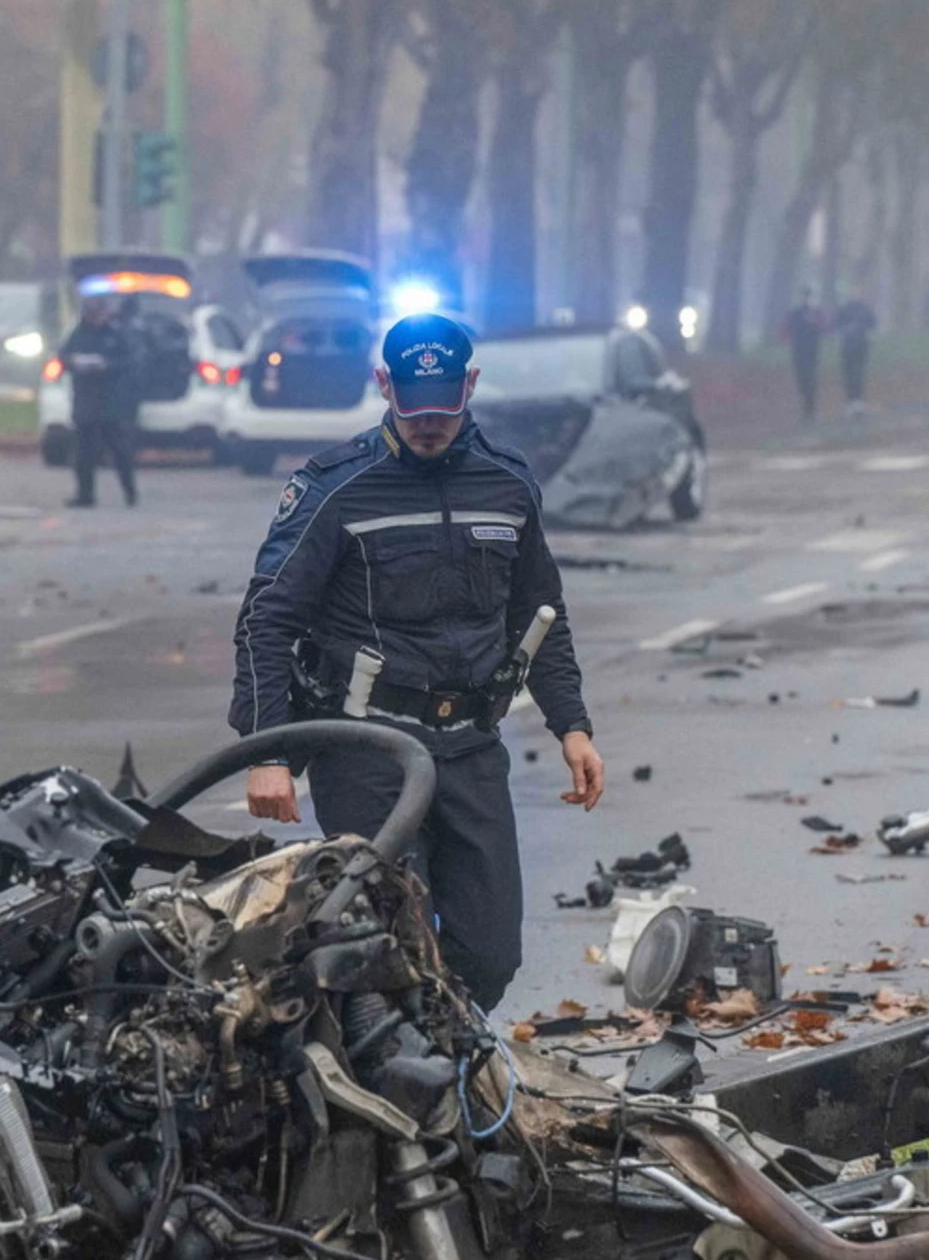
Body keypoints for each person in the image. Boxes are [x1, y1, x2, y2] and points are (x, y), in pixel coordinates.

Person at [228, 312, 603, 1011]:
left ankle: (449, 1065)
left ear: (471, 385)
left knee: (490, 953)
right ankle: (407, 1096)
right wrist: (266, 751)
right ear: (382, 386)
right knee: (382, 951)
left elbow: (540, 612)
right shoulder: (335, 487)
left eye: (444, 408)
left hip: (470, 747)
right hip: (371, 752)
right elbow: (267, 617)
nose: (429, 425)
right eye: (413, 408)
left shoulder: (508, 482)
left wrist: (571, 727)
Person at [58, 284, 142, 508]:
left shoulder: (116, 334)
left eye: (99, 312)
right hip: (86, 401)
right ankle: (85, 495)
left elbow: (130, 361)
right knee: (84, 453)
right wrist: (74, 362)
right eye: (92, 312)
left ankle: (130, 493)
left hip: (110, 402)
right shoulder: (78, 333)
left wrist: (108, 366)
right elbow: (64, 356)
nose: (96, 316)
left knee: (120, 451)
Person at [782, 287, 827, 423]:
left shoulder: (816, 313)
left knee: (811, 378)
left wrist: (815, 324)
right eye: (804, 296)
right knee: (801, 378)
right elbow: (786, 329)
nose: (806, 298)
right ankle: (804, 407)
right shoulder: (795, 313)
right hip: (798, 350)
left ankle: (811, 409)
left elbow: (824, 328)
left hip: (812, 350)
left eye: (807, 296)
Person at [834, 291, 878, 416]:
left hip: (861, 346)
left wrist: (867, 336)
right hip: (847, 347)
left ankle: (858, 402)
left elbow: (873, 325)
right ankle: (850, 402)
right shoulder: (844, 310)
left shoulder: (866, 310)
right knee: (848, 374)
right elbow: (836, 324)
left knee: (858, 373)